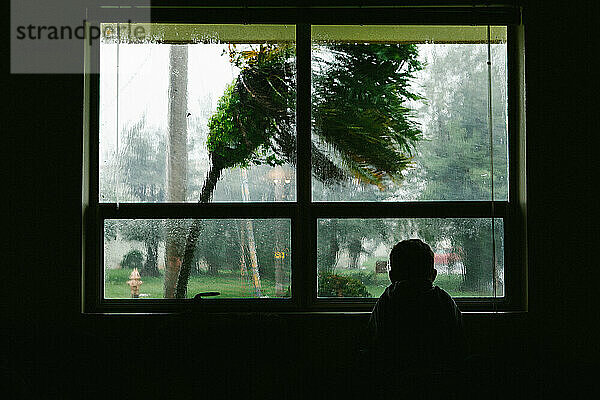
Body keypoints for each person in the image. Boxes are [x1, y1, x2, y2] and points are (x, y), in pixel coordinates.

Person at [367, 239, 467, 397]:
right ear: (433, 274)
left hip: (394, 382)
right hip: (438, 381)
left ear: (391, 276)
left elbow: (375, 340)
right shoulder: (443, 300)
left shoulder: (388, 301)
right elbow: (458, 340)